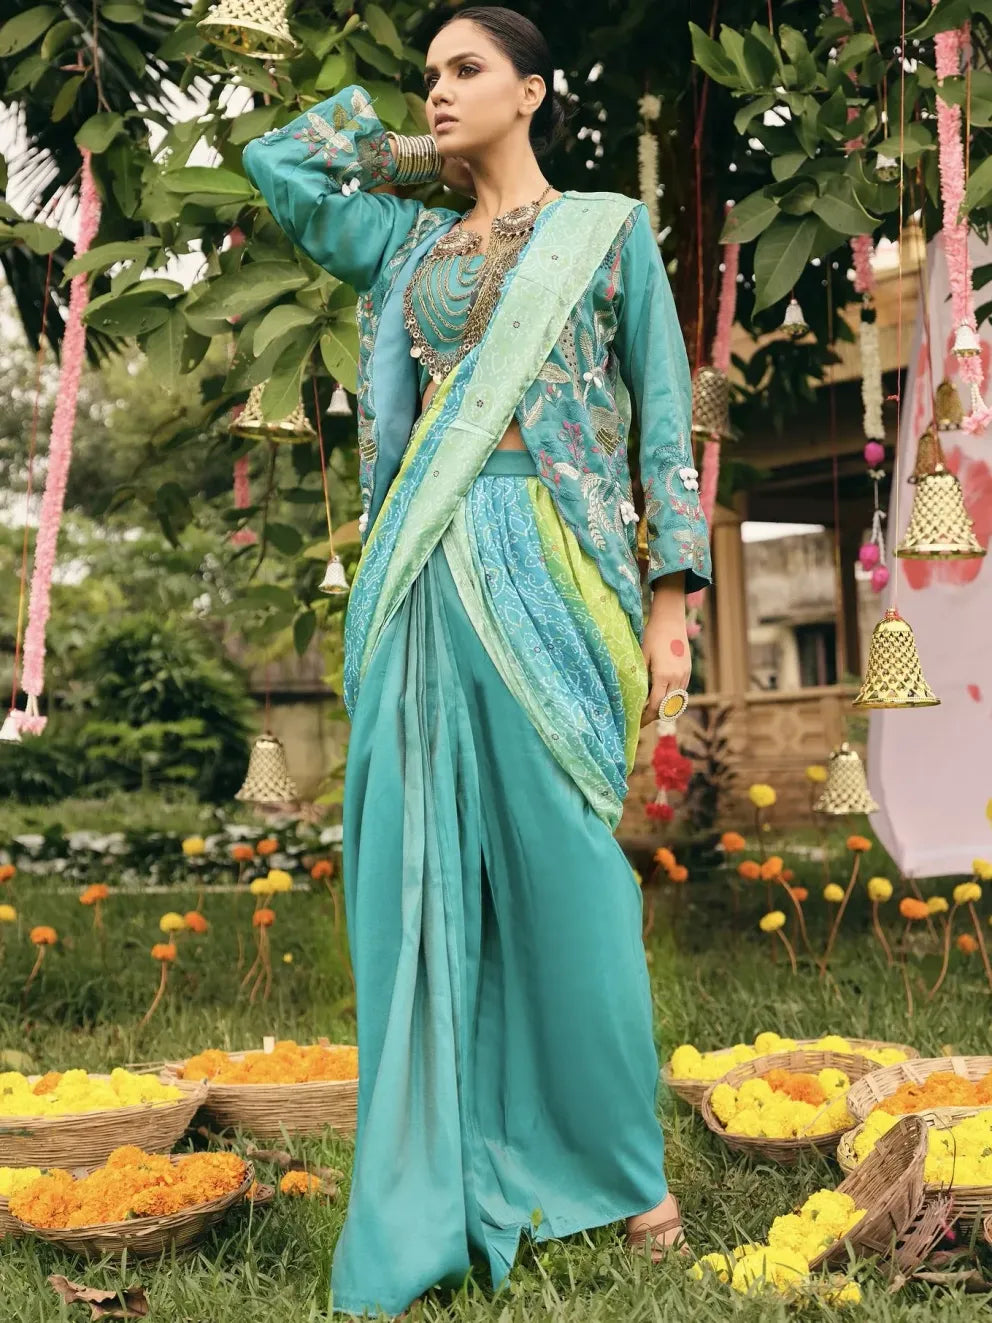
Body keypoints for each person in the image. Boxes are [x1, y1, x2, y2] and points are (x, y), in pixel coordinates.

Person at [243, 6, 711, 1316]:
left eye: (466, 73)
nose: (439, 90)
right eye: (429, 75)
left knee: (573, 878)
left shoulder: (609, 232)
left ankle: (633, 1181)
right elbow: (286, 164)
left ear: (534, 90)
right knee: (410, 869)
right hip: (419, 572)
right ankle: (439, 1178)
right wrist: (415, 150)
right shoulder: (408, 244)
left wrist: (670, 605)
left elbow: (664, 429)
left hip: (557, 574)